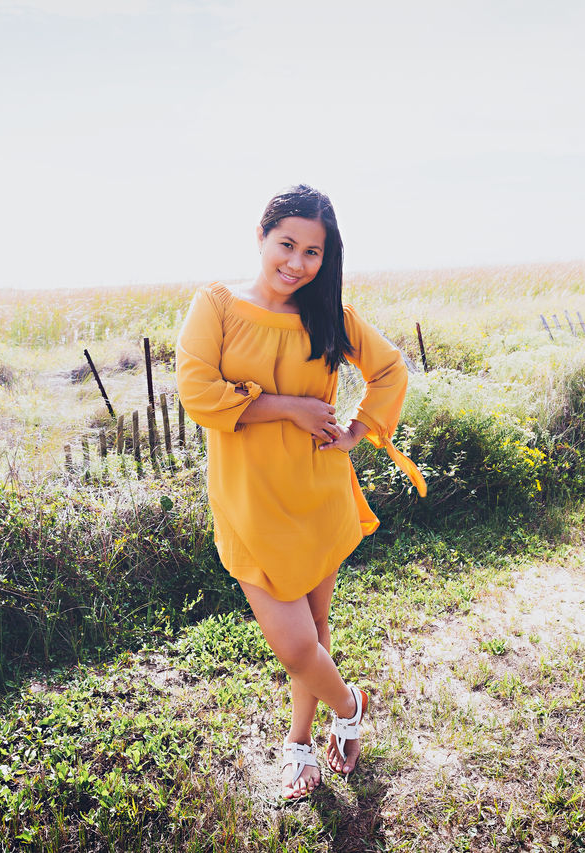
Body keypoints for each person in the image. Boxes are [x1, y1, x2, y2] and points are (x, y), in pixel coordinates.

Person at [175, 185, 426, 801]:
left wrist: (359, 430)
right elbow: (197, 392)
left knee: (314, 631)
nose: (297, 262)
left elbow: (390, 368)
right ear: (261, 238)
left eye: (313, 252)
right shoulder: (218, 305)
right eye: (286, 244)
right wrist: (290, 408)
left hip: (318, 491)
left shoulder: (328, 316)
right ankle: (350, 705)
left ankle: (297, 745)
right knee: (294, 645)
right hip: (249, 501)